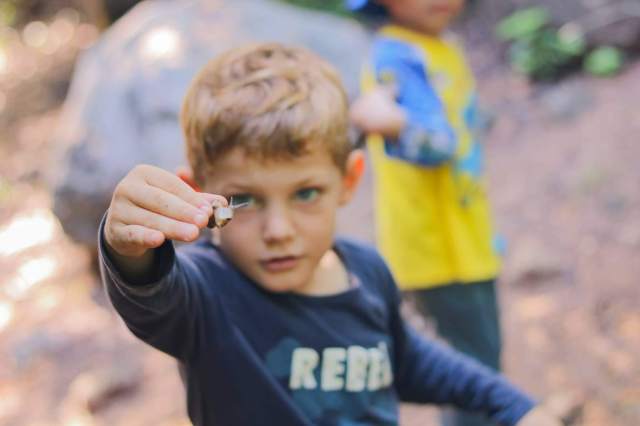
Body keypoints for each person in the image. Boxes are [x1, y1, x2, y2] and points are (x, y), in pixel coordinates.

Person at [99, 42, 560, 425]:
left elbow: (405, 358)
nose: (278, 231)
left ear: (348, 181)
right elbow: (150, 297)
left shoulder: (367, 270)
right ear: (199, 194)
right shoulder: (206, 295)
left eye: (306, 193)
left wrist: (513, 406)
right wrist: (128, 247)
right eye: (246, 199)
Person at [348, 1, 505, 425]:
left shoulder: (436, 45)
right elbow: (438, 144)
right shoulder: (398, 53)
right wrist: (394, 122)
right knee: (473, 375)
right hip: (437, 248)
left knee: (478, 363)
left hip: (463, 237)